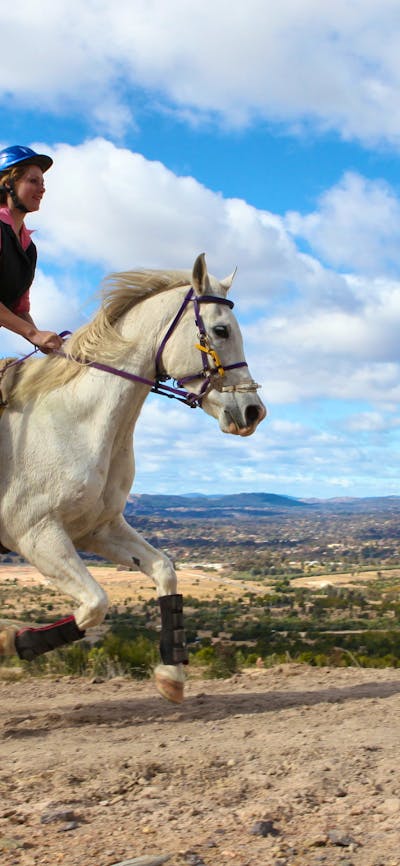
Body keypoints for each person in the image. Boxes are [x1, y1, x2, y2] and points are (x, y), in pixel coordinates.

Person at [0, 145, 63, 353]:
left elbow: (19, 308)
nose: (42, 188)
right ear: (8, 184)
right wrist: (33, 334)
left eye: (43, 183)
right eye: (33, 181)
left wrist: (43, 340)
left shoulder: (29, 248)